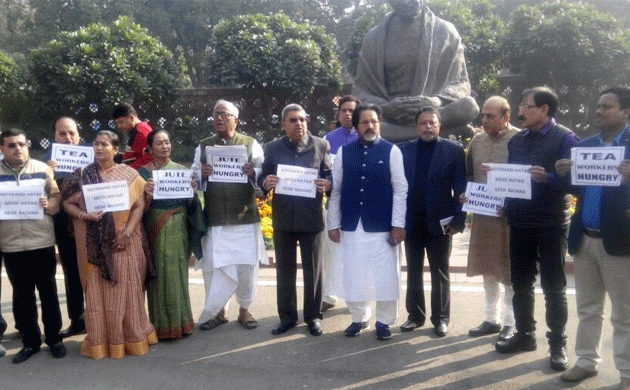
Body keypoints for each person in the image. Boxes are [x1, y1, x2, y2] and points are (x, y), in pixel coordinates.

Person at [494, 87, 580, 372]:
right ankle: (525, 335)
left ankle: (557, 344)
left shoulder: (566, 138)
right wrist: (504, 201)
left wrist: (550, 178)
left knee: (554, 287)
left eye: (526, 106)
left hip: (551, 223)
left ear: (544, 110)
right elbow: (511, 176)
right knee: (520, 283)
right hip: (519, 221)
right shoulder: (517, 140)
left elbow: (575, 182)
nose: (521, 111)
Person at [555, 87, 630, 389]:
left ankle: (626, 372)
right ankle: (586, 361)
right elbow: (578, 191)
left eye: (607, 107)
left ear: (626, 112)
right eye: (598, 106)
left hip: (620, 242)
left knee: (624, 314)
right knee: (588, 308)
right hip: (584, 240)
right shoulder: (585, 147)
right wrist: (563, 174)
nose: (598, 111)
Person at [62, 130, 157, 359]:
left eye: (104, 144)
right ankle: (102, 341)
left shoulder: (128, 173)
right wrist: (86, 216)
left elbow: (139, 204)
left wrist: (127, 232)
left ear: (116, 149)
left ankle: (132, 336)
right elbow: (67, 203)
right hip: (93, 244)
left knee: (128, 289)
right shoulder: (82, 175)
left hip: (126, 241)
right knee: (97, 292)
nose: (99, 148)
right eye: (96, 143)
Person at [327, 104, 407, 340]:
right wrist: (333, 223)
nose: (370, 126)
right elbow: (337, 190)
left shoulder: (392, 151)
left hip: (382, 225)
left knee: (385, 276)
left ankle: (384, 321)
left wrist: (398, 224)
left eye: (374, 121)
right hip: (352, 224)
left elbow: (401, 189)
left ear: (379, 124)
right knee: (354, 274)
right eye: (364, 122)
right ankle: (359, 317)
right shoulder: (344, 152)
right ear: (356, 125)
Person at [352, 0, 478, 142]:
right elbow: (360, 91)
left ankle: (406, 133)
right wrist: (386, 108)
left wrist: (435, 101)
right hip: (392, 116)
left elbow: (460, 83)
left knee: (469, 106)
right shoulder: (373, 38)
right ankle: (433, 133)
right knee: (365, 119)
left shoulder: (445, 31)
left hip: (432, 111)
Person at [192, 100, 267, 332]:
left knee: (246, 267)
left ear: (236, 119)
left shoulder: (250, 144)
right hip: (216, 218)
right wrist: (202, 175)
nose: (219, 118)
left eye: (224, 114)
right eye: (215, 114)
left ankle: (245, 310)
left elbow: (263, 176)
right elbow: (193, 179)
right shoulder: (204, 147)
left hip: (244, 218)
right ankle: (218, 312)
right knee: (215, 267)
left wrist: (252, 173)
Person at [258, 104, 332, 336]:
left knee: (314, 271)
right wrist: (265, 183)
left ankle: (313, 317)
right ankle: (287, 317)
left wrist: (328, 184)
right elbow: (262, 177)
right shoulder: (272, 148)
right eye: (292, 120)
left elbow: (328, 173)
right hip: (284, 218)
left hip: (311, 217)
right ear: (283, 124)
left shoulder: (320, 144)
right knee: (285, 271)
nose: (298, 124)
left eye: (302, 119)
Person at [399, 106, 466, 337]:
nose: (427, 126)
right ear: (416, 126)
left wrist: (459, 220)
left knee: (440, 271)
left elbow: (461, 189)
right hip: (412, 221)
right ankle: (415, 316)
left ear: (439, 126)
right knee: (413, 271)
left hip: (441, 222)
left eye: (432, 122)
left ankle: (441, 318)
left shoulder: (454, 150)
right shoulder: (403, 150)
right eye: (423, 123)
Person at [0, 128, 66, 364]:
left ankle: (55, 339)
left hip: (41, 240)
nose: (17, 148)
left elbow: (57, 198)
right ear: (2, 149)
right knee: (22, 296)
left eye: (21, 144)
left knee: (48, 293)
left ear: (27, 145)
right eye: (11, 145)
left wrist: (50, 204)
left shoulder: (42, 169)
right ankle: (30, 343)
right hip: (11, 244)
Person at [461, 97, 518, 341]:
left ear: (506, 116)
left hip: (510, 217)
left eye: (490, 116)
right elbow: (470, 176)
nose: (484, 120)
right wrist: (467, 194)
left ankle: (511, 322)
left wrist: (512, 205)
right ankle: (491, 318)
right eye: (483, 115)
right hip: (484, 216)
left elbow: (524, 180)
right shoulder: (477, 140)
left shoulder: (520, 139)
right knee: (487, 268)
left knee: (509, 271)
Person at [139, 129, 196, 340]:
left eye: (167, 142)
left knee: (178, 272)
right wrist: (147, 195)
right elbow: (138, 209)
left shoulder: (181, 171)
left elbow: (191, 206)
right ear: (150, 148)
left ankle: (182, 323)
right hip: (155, 225)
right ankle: (160, 325)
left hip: (179, 225)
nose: (165, 146)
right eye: (160, 143)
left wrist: (191, 193)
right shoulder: (143, 174)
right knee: (158, 272)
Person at [43, 116, 86, 338]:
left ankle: (104, 319)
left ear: (79, 135)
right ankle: (78, 320)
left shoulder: (93, 155)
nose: (68, 138)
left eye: (72, 133)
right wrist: (47, 173)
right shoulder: (45, 163)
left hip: (93, 223)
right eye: (62, 133)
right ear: (55, 136)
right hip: (64, 226)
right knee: (72, 272)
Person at [321, 95, 361, 312]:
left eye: (352, 110)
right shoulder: (328, 139)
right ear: (338, 114)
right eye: (344, 110)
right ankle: (330, 295)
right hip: (334, 204)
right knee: (331, 252)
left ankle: (356, 296)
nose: (348, 114)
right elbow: (325, 170)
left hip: (357, 205)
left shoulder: (365, 137)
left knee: (355, 252)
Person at [112, 103, 153, 170]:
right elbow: (135, 155)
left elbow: (149, 157)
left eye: (121, 122)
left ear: (131, 118)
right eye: (117, 123)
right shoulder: (138, 129)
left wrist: (129, 170)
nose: (119, 126)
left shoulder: (141, 132)